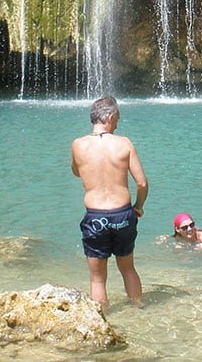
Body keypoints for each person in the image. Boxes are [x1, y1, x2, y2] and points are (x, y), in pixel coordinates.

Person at [71, 96, 149, 306]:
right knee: (128, 268)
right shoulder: (124, 143)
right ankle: (139, 308)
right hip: (123, 214)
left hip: (96, 217)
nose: (118, 123)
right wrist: (138, 207)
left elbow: (77, 172)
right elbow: (141, 183)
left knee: (97, 278)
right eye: (118, 119)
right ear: (110, 116)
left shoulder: (78, 145)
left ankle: (102, 319)